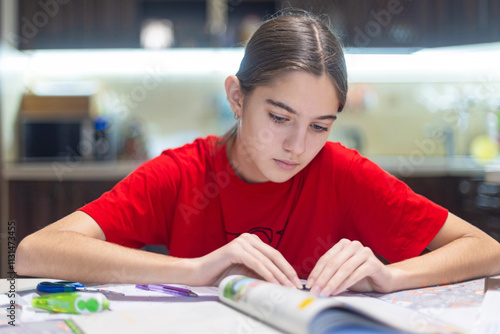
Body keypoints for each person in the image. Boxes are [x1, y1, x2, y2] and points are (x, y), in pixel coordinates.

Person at [15, 11, 500, 297]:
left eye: (319, 127)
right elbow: (34, 253)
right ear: (237, 97)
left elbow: (485, 249)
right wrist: (193, 270)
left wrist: (392, 276)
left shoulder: (342, 173)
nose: (296, 147)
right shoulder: (185, 173)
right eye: (279, 117)